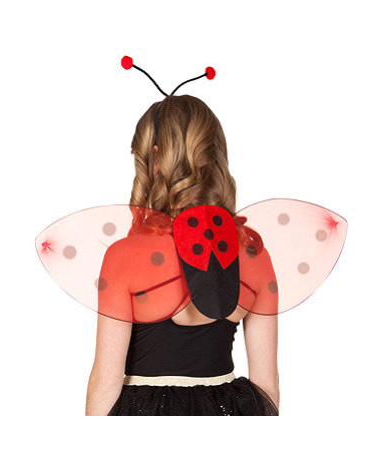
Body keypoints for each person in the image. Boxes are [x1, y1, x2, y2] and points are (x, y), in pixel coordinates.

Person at [85, 94, 280, 416]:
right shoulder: (255, 254)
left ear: (155, 157)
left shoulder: (124, 256)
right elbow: (267, 388)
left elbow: (105, 383)